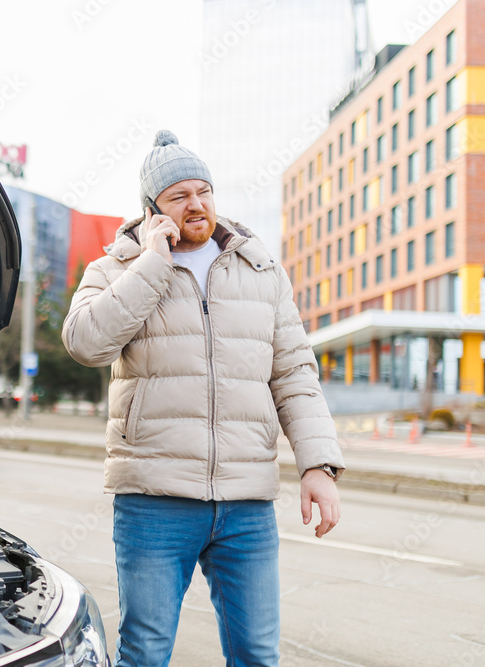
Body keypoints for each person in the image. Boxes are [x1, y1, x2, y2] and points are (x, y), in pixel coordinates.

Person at [61, 130, 345, 667]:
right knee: (144, 653)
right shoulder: (113, 270)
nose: (196, 204)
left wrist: (319, 466)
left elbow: (295, 376)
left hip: (247, 501)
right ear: (152, 211)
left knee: (258, 655)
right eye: (178, 196)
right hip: (154, 499)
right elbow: (86, 344)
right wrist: (152, 262)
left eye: (204, 191)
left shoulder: (261, 272)